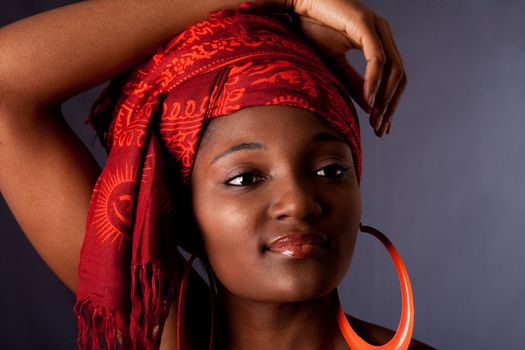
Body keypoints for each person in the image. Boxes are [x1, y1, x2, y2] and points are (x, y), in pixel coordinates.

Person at [0, 0, 427, 349]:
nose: (298, 202)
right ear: (185, 208)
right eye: (245, 178)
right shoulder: (159, 331)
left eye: (329, 169)